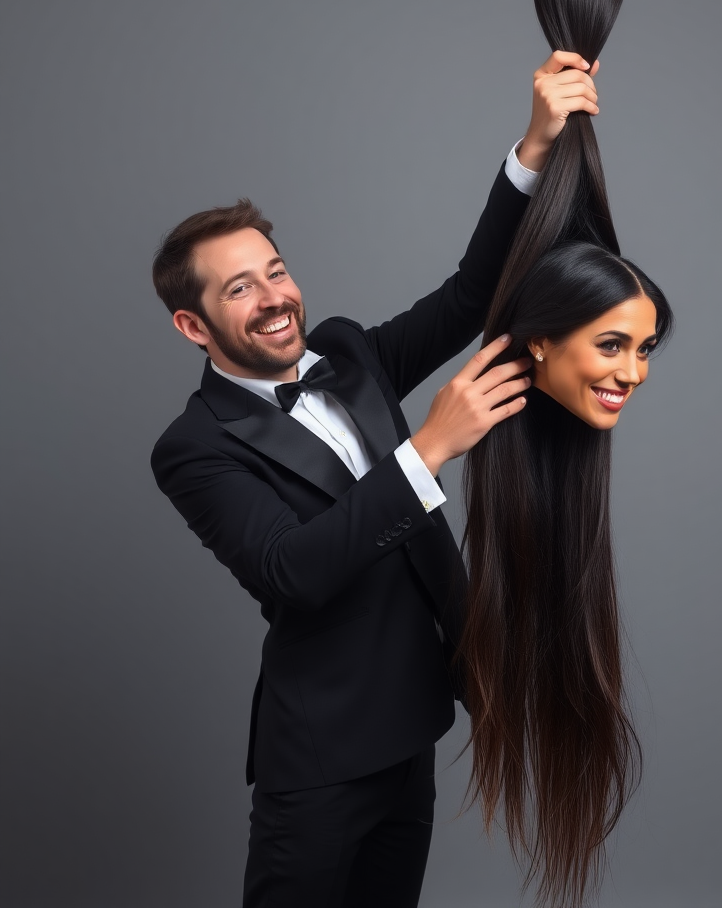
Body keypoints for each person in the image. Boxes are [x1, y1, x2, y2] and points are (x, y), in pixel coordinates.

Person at [150, 50, 599, 908]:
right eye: (239, 288)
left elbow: (469, 297)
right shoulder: (192, 446)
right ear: (191, 323)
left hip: (415, 725)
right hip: (319, 756)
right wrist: (427, 449)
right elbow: (294, 572)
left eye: (276, 270)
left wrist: (535, 147)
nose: (274, 296)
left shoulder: (349, 354)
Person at [459, 0, 674, 908]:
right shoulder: (418, 421)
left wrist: (551, 145)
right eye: (612, 346)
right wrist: (535, 141)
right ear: (538, 342)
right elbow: (472, 288)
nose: (632, 373)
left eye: (642, 349)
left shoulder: (557, 470)